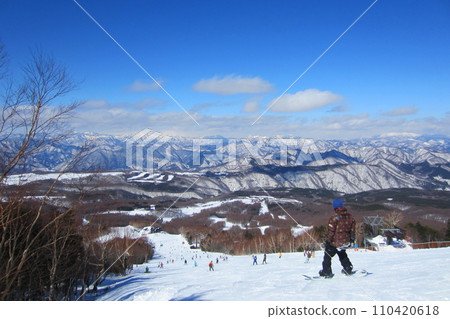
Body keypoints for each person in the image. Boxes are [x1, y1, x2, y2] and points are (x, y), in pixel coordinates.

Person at [319, 198, 356, 277]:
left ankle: (326, 271)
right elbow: (353, 230)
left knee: (328, 255)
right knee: (342, 253)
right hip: (346, 241)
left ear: (335, 207)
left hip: (335, 242)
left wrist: (329, 240)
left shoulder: (335, 217)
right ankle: (348, 267)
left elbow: (331, 231)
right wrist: (352, 239)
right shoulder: (350, 217)